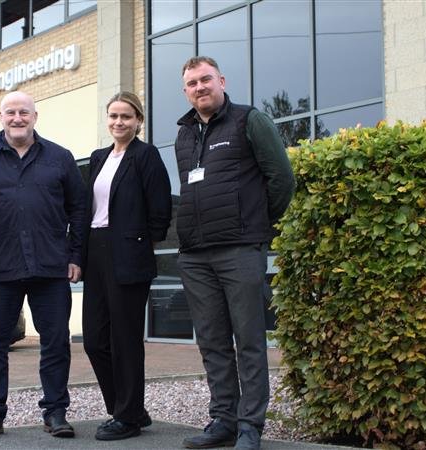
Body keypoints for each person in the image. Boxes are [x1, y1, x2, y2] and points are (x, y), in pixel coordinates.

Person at [174, 56, 295, 450]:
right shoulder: (184, 135)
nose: (199, 87)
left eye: (206, 79)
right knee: (212, 342)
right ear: (185, 90)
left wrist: (255, 225)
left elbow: (282, 179)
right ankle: (223, 420)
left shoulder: (249, 121)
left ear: (221, 80)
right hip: (195, 255)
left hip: (240, 250)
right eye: (192, 83)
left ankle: (249, 427)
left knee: (248, 341)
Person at [0, 91, 86, 440]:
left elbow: (79, 209)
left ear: (35, 117)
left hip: (51, 266)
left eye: (24, 112)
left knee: (55, 341)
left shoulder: (60, 158)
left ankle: (55, 412)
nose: (17, 118)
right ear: (0, 117)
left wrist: (76, 255)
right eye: (10, 112)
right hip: (0, 268)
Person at [81, 92, 171, 441]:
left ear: (138, 121)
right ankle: (128, 407)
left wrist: (143, 243)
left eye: (126, 117)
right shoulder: (99, 157)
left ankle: (127, 417)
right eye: (114, 116)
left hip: (129, 253)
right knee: (94, 340)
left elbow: (160, 208)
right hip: (96, 252)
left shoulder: (145, 156)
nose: (119, 122)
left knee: (125, 340)